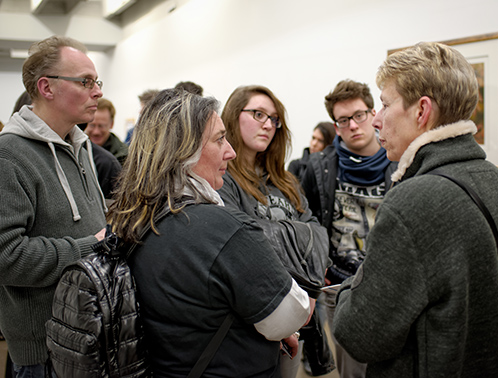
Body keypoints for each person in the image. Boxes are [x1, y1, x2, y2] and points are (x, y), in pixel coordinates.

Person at [332, 42, 498, 377]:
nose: (375, 119)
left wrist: (347, 288)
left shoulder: (413, 200)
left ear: (422, 111)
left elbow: (360, 335)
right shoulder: (492, 178)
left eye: (385, 104)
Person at [106, 88, 310, 377]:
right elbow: (288, 315)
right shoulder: (224, 228)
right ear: (183, 151)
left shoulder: (131, 216)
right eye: (219, 139)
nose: (231, 151)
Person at [0, 35, 107, 377]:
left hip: (86, 338)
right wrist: (91, 247)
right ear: (46, 87)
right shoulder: (9, 155)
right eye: (85, 81)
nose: (97, 91)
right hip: (43, 353)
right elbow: (7, 256)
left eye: (97, 81)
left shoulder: (80, 146)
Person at [217, 85, 332, 378]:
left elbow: (318, 233)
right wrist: (296, 234)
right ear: (233, 116)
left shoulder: (286, 181)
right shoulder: (223, 180)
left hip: (300, 312)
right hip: (252, 322)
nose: (268, 124)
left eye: (274, 119)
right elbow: (243, 242)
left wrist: (310, 289)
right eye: (258, 114)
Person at [300, 79, 396, 378]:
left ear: (372, 113)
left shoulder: (399, 160)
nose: (353, 125)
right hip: (339, 286)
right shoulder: (319, 167)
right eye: (343, 120)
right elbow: (309, 223)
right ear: (336, 125)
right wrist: (321, 271)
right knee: (352, 369)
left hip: (388, 284)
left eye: (359, 115)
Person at [84, 98, 129, 165]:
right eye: (92, 125)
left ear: (111, 124)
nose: (96, 132)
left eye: (101, 126)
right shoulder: (76, 149)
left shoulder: (123, 157)